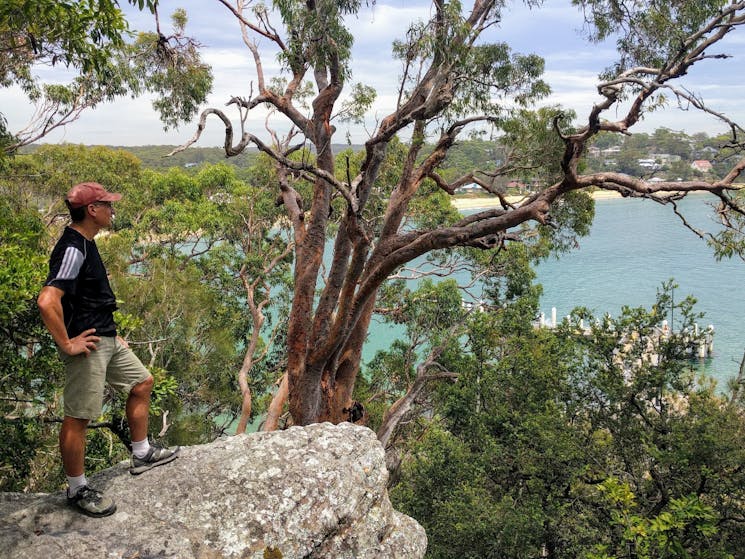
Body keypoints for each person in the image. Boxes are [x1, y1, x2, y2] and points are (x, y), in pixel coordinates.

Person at [37, 182, 179, 518]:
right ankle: (77, 489)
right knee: (79, 417)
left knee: (142, 383)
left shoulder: (87, 243)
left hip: (107, 338)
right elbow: (47, 300)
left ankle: (141, 453)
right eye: (107, 204)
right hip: (88, 346)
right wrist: (67, 343)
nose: (112, 210)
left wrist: (114, 335)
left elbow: (87, 297)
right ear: (92, 210)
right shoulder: (73, 248)